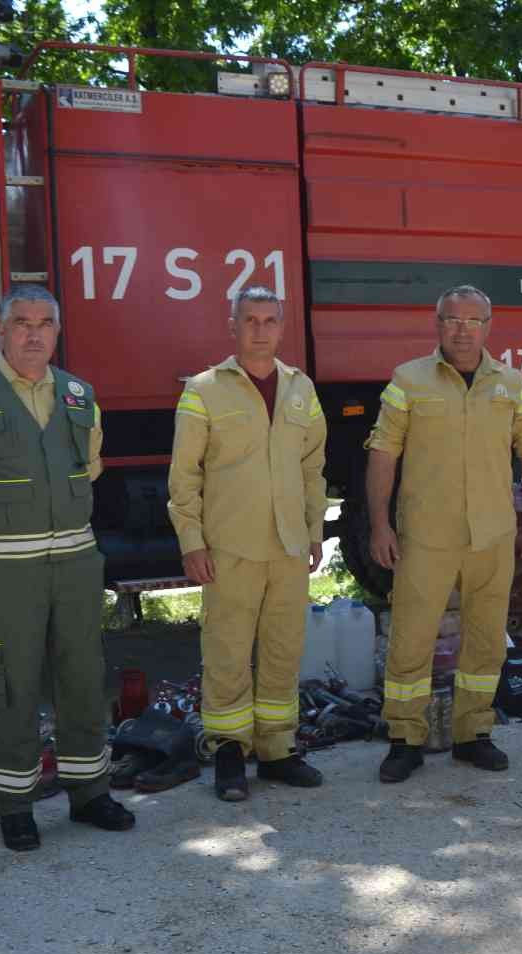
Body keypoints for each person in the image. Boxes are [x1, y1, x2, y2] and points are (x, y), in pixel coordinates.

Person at [0, 284, 134, 852]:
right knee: (12, 682)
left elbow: (87, 469)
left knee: (82, 676)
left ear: (57, 332)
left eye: (45, 323)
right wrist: (0, 527)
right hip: (8, 567)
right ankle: (15, 806)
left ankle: (90, 792)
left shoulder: (78, 395)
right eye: (21, 322)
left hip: (74, 562)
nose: (34, 333)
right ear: (1, 329)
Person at [366, 285, 522, 783]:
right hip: (426, 536)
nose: (463, 330)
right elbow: (383, 453)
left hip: (492, 535)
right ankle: (405, 739)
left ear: (489, 327)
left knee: (487, 641)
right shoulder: (408, 380)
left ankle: (474, 734)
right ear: (437, 323)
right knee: (411, 639)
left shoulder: (511, 384)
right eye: (453, 320)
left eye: (473, 321)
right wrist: (380, 525)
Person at [168, 286, 329, 802]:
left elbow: (312, 468)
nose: (260, 329)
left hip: (287, 545)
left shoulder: (301, 389)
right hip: (230, 545)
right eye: (250, 320)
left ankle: (278, 749)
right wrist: (192, 541)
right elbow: (184, 475)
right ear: (232, 326)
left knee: (284, 648)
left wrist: (314, 531)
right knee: (227, 651)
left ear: (281, 327)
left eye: (269, 320)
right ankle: (230, 754)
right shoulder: (204, 390)